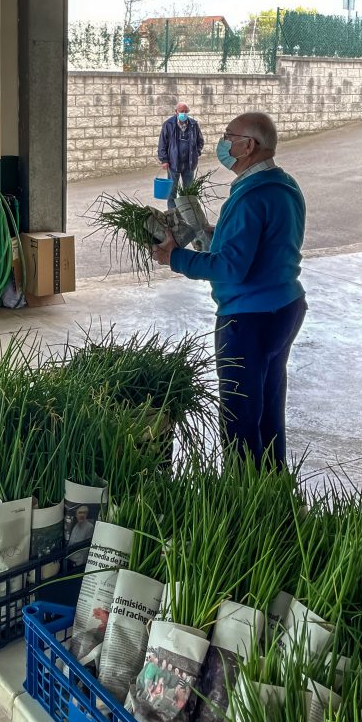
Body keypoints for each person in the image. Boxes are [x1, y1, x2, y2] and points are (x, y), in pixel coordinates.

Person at [151, 112, 307, 469]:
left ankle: (240, 499)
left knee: (239, 417)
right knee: (267, 409)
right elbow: (264, 243)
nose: (223, 143)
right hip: (285, 307)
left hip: (249, 318)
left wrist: (175, 258)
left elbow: (231, 268)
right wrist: (215, 233)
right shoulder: (283, 185)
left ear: (248, 146)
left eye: (228, 136)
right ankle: (272, 488)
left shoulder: (252, 197)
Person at [157, 102, 204, 210]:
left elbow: (200, 141)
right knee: (172, 192)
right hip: (173, 163)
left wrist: (196, 153)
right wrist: (164, 160)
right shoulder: (168, 124)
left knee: (188, 192)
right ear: (176, 112)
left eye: (185, 111)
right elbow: (162, 143)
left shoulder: (193, 124)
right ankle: (173, 214)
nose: (183, 113)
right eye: (181, 111)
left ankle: (187, 213)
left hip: (189, 163)